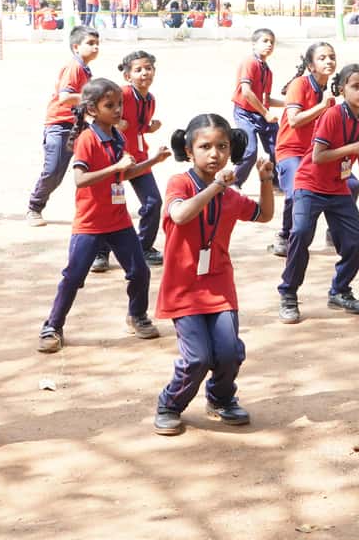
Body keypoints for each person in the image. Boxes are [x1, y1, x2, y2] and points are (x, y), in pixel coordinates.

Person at [152, 115, 279, 434]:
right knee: (197, 358)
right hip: (183, 288)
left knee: (229, 352)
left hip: (219, 286)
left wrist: (265, 180)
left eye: (222, 147)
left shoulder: (231, 195)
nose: (214, 154)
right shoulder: (179, 184)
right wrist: (216, 187)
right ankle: (170, 403)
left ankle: (221, 399)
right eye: (205, 147)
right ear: (189, 150)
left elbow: (263, 215)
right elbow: (180, 214)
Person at [40, 79, 168, 350]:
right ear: (92, 110)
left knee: (139, 271)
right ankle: (53, 326)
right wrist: (115, 168)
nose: (118, 110)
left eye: (119, 104)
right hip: (90, 223)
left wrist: (152, 161)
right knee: (73, 277)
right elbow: (80, 179)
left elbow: (125, 173)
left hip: (118, 220)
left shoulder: (117, 137)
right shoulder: (88, 139)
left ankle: (137, 315)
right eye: (110, 105)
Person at [277, 64, 359, 324]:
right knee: (301, 232)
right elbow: (317, 156)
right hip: (310, 185)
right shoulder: (332, 115)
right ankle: (288, 293)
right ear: (342, 89)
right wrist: (350, 147)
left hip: (337, 187)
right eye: (356, 86)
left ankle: (340, 290)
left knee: (356, 237)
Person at [97, 51, 165, 275]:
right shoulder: (121, 94)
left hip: (138, 156)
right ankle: (100, 252)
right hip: (114, 159)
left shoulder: (150, 99)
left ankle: (143, 246)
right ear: (128, 76)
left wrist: (150, 128)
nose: (145, 73)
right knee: (112, 205)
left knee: (153, 201)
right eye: (138, 70)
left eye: (148, 68)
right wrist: (116, 123)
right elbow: (99, 114)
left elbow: (138, 126)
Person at [26, 25, 102, 226]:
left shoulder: (85, 69)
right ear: (76, 47)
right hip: (60, 125)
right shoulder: (74, 68)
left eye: (97, 44)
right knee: (53, 171)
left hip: (77, 125)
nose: (95, 47)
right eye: (90, 43)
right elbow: (66, 98)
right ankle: (34, 207)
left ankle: (92, 208)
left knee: (92, 165)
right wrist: (93, 99)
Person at [269, 41, 338, 258]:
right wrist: (322, 107)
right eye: (322, 58)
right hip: (290, 150)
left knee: (350, 184)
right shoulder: (299, 85)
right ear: (310, 65)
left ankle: (334, 232)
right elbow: (294, 120)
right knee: (295, 191)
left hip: (314, 152)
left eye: (332, 57)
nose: (329, 61)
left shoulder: (327, 91)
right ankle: (284, 235)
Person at [230, 27, 283, 186]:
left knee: (279, 147)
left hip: (260, 112)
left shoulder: (268, 71)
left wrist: (290, 103)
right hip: (245, 113)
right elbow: (246, 92)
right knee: (250, 151)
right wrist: (266, 113)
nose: (269, 45)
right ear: (254, 44)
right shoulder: (250, 62)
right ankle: (234, 183)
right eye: (265, 41)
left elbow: (266, 99)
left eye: (272, 42)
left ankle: (276, 183)